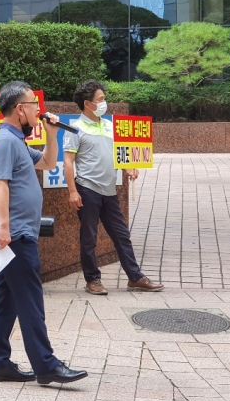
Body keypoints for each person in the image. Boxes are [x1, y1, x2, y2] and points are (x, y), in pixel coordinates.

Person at [0, 80, 87, 385]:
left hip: (18, 233)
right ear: (20, 110)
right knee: (30, 301)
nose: (38, 110)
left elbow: (46, 162)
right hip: (16, 235)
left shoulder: (17, 141)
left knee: (6, 299)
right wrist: (4, 228)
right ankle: (46, 365)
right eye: (33, 105)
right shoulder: (5, 141)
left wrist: (52, 135)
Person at [64, 80, 164, 295]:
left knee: (121, 235)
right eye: (100, 99)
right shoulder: (75, 128)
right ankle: (92, 279)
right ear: (87, 103)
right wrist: (73, 191)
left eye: (104, 99)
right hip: (87, 189)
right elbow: (69, 162)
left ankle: (135, 277)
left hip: (109, 191)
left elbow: (121, 154)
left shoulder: (110, 125)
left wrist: (129, 167)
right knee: (89, 237)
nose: (104, 103)